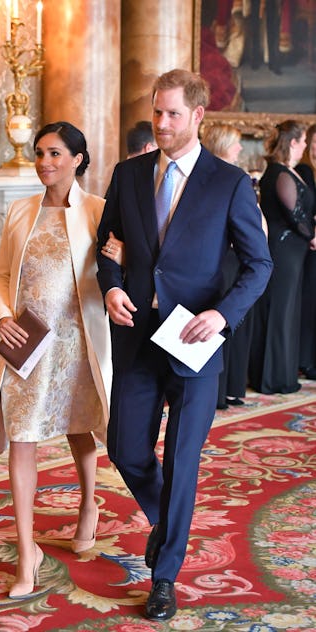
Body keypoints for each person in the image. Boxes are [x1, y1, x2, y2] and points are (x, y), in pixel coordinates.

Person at [96, 68, 273, 622]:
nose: (162, 123)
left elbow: (259, 263)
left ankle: (164, 578)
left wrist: (221, 315)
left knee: (181, 460)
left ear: (198, 116)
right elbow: (108, 247)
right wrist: (111, 288)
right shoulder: (127, 176)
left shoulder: (228, 182)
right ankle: (166, 526)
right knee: (125, 448)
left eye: (173, 113)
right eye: (157, 112)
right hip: (137, 337)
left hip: (197, 340)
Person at [0, 121, 113, 599]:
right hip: (27, 345)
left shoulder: (99, 211)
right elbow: (0, 276)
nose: (44, 162)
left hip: (78, 343)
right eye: (40, 153)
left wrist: (120, 256)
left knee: (80, 426)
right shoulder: (20, 211)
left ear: (78, 159)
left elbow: (118, 270)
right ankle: (26, 555)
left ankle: (87, 506)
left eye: (55, 154)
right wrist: (1, 317)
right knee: (22, 437)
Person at [202, 123, 267, 409]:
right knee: (220, 322)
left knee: (231, 321)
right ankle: (219, 390)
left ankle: (229, 388)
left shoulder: (235, 178)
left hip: (236, 259)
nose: (241, 148)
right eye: (237, 143)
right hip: (225, 260)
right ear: (224, 143)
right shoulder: (227, 179)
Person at [249, 120, 316, 394]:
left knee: (288, 311)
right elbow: (294, 214)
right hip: (283, 250)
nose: (304, 148)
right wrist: (312, 234)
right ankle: (273, 377)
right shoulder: (279, 173)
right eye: (302, 142)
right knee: (279, 310)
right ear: (292, 143)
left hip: (294, 251)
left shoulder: (291, 171)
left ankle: (284, 373)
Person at [296, 124, 316, 379]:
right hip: (309, 248)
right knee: (309, 302)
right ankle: (306, 360)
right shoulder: (304, 172)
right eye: (312, 146)